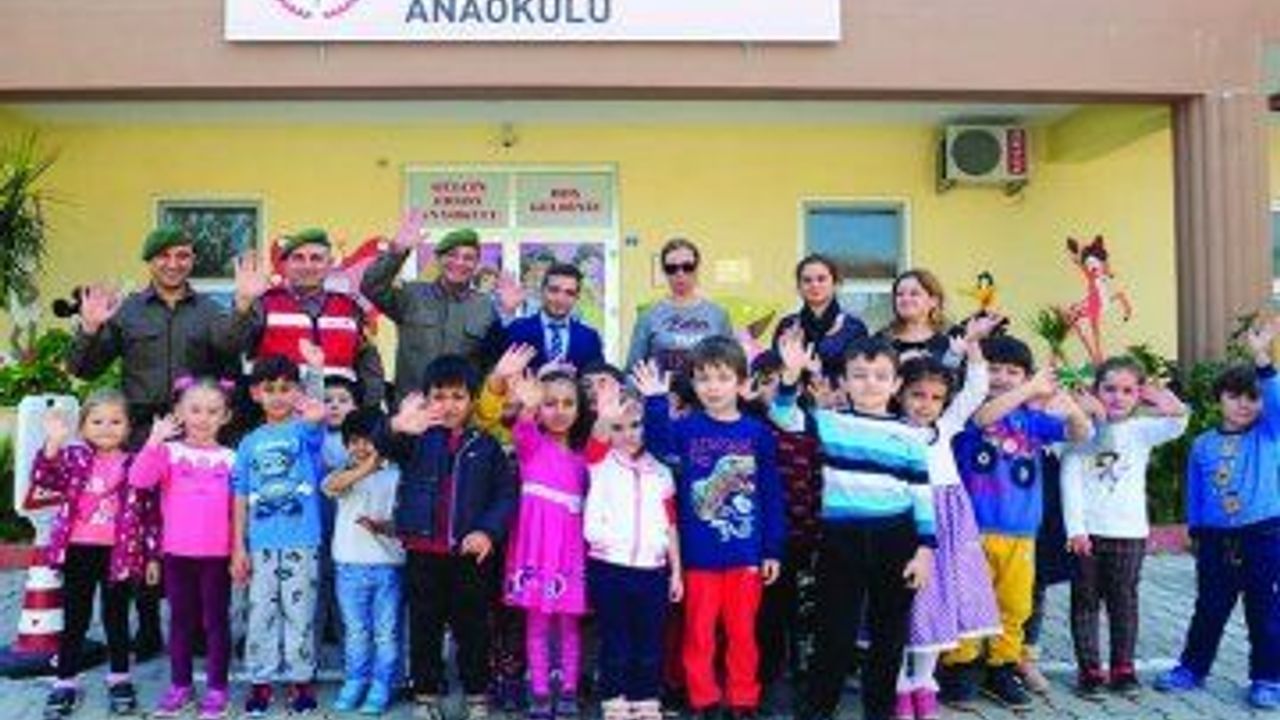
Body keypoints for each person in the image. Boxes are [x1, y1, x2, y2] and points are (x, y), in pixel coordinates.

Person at [67, 225, 245, 658]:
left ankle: (200, 627)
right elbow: (85, 368)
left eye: (183, 255)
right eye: (164, 256)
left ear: (192, 260)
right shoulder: (128, 311)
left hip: (196, 435)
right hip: (142, 436)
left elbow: (233, 348)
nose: (173, 264)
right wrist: (90, 327)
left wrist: (243, 304)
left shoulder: (210, 310)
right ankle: (147, 627)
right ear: (150, 261)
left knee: (198, 527)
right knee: (141, 529)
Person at [771, 334, 935, 720]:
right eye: (859, 375)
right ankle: (818, 708)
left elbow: (921, 494)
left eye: (880, 376)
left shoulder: (911, 434)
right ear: (843, 381)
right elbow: (782, 416)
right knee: (834, 630)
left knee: (888, 633)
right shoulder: (829, 422)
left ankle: (879, 710)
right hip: (840, 541)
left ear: (896, 384)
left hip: (896, 540)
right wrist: (790, 377)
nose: (870, 383)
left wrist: (925, 549)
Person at [634, 336, 785, 720]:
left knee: (742, 633)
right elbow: (658, 447)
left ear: (741, 382)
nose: (712, 387)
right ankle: (702, 698)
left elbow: (770, 494)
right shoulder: (686, 428)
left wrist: (772, 549)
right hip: (699, 555)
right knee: (698, 632)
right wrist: (655, 401)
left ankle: (743, 699)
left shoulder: (757, 433)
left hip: (745, 555)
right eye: (703, 378)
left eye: (722, 377)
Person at [940, 336, 1092, 710]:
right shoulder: (968, 413)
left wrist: (1073, 409)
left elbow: (1082, 435)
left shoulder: (1032, 421)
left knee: (1014, 604)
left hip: (1020, 532)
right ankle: (962, 667)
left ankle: (1003, 666)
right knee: (968, 601)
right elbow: (984, 418)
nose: (1002, 378)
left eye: (1013, 372)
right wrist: (1030, 387)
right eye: (994, 369)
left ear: (1025, 375)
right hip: (971, 532)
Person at [377, 355, 518, 720]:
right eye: (439, 396)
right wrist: (396, 425)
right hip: (423, 553)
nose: (448, 405)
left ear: (472, 400)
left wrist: (487, 531)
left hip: (471, 557)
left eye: (458, 396)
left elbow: (505, 496)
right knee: (424, 628)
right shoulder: (415, 439)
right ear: (426, 400)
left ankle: (476, 696)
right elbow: (384, 444)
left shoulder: (486, 444)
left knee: (473, 630)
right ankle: (425, 696)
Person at [1155, 317, 1280, 709]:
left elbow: (1275, 398)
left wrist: (1261, 358)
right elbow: (1195, 491)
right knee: (1209, 607)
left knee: (1265, 611)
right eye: (1234, 395)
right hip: (1214, 540)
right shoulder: (1203, 444)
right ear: (1218, 399)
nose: (1244, 403)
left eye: (1252, 397)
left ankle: (1268, 678)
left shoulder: (1268, 435)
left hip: (1264, 537)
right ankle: (1192, 668)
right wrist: (1195, 530)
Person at [890, 319, 1002, 720]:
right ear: (899, 393)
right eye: (917, 395)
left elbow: (975, 389)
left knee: (937, 602)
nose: (926, 404)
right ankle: (900, 685)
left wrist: (973, 345)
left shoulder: (946, 425)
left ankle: (924, 682)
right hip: (903, 520)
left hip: (946, 523)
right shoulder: (887, 428)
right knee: (904, 603)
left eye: (936, 398)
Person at [1060, 356, 1187, 698]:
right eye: (1110, 389)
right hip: (1087, 534)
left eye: (1128, 391)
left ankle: (1123, 669)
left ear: (1138, 395)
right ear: (1094, 391)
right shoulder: (1079, 429)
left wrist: (1169, 404)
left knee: (1124, 602)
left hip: (1129, 534)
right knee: (1085, 602)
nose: (1118, 397)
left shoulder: (1141, 430)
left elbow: (1177, 424)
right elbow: (1069, 480)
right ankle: (1089, 670)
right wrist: (1075, 529)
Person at [35, 391, 159, 719]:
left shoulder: (135, 464)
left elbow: (150, 513)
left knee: (116, 618)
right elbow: (44, 478)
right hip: (77, 552)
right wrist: (53, 444)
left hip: (120, 554)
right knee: (75, 617)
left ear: (128, 427)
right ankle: (65, 681)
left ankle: (120, 678)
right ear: (83, 427)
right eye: (97, 421)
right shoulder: (74, 457)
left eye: (116, 421)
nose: (106, 428)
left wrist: (152, 556)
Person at [129, 378, 238, 719]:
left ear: (226, 416)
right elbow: (138, 479)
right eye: (195, 410)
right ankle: (180, 684)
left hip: (218, 556)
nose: (203, 418)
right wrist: (153, 441)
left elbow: (238, 511)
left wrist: (239, 551)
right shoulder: (169, 453)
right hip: (177, 554)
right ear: (179, 412)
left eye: (213, 411)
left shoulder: (232, 459)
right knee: (180, 621)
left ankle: (217, 688)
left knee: (216, 622)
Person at [231, 355, 328, 717]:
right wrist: (238, 546)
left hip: (302, 541)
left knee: (300, 613)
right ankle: (261, 681)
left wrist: (315, 371)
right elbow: (240, 495)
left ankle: (301, 679)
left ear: (297, 392)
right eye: (269, 389)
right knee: (260, 614)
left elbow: (315, 414)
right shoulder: (248, 442)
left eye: (286, 388)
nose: (277, 396)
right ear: (255, 393)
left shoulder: (305, 432)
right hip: (260, 545)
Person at [584, 382, 683, 720]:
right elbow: (598, 437)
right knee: (616, 640)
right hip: (608, 566)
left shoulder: (662, 469)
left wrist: (676, 572)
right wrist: (604, 417)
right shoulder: (599, 461)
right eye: (618, 427)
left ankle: (645, 698)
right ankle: (614, 698)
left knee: (649, 641)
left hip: (652, 570)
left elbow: (671, 524)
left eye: (635, 425)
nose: (628, 434)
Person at [503, 368, 594, 720]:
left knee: (570, 625)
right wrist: (527, 406)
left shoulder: (585, 455)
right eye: (550, 403)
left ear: (580, 409)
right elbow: (522, 427)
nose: (559, 411)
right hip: (535, 549)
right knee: (537, 624)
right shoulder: (531, 446)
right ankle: (539, 691)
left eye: (568, 403)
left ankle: (568, 690)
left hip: (570, 551)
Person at [361, 214, 517, 401]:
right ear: (439, 259)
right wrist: (397, 251)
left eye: (468, 258)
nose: (459, 263)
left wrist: (508, 315)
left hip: (461, 410)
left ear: (476, 265)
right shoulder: (412, 295)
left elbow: (494, 360)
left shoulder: (485, 306)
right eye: (452, 255)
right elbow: (371, 287)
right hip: (414, 407)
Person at [230, 228, 386, 409]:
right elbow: (231, 344)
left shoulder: (351, 308)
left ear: (330, 264)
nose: (307, 266)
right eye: (298, 258)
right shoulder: (264, 304)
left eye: (316, 258)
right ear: (285, 264)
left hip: (337, 415)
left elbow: (369, 367)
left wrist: (368, 409)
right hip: (278, 416)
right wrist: (243, 303)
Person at [747, 351, 823, 711]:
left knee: (795, 611)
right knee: (766, 613)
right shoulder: (747, 423)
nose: (771, 389)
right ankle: (768, 679)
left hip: (800, 533)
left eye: (779, 381)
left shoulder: (804, 422)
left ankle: (795, 677)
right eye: (764, 382)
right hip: (758, 536)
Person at [325, 407, 405, 715]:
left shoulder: (397, 474)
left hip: (389, 568)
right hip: (349, 567)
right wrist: (370, 465)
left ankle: (382, 684)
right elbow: (331, 487)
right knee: (356, 631)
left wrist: (382, 528)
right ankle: (355, 681)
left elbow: (404, 524)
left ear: (383, 441)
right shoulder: (344, 475)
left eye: (369, 440)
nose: (360, 447)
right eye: (354, 441)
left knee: (386, 632)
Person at [625, 238, 733, 377]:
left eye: (687, 267)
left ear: (697, 269)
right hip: (661, 390)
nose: (680, 273)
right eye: (672, 268)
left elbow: (732, 363)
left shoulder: (718, 315)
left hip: (708, 390)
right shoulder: (648, 316)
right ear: (664, 272)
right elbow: (633, 370)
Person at [770, 254, 868, 381]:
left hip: (840, 393)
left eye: (821, 279)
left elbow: (861, 373)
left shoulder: (854, 327)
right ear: (799, 288)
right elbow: (774, 371)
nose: (814, 285)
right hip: (793, 393)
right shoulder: (787, 325)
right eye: (807, 280)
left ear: (835, 284)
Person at [503, 263, 605, 373]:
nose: (560, 299)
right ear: (542, 291)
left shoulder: (589, 338)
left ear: (577, 297)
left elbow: (597, 377)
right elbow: (500, 371)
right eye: (554, 290)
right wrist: (507, 311)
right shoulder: (518, 329)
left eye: (569, 293)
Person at [878, 270, 960, 367]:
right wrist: (898, 362)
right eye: (899, 294)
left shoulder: (952, 336)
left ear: (934, 301)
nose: (905, 299)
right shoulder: (881, 340)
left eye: (914, 294)